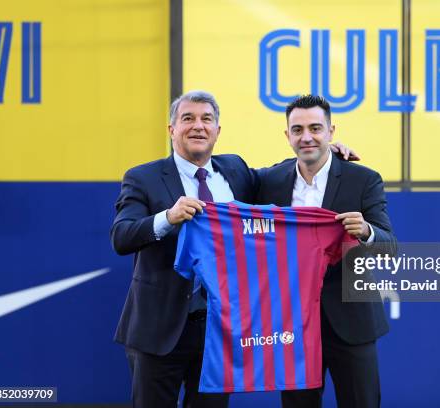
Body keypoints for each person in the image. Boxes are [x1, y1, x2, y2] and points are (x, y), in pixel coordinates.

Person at [110, 90, 356, 407]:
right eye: (188, 119)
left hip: (220, 330)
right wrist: (168, 217)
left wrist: (322, 152)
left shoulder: (236, 171)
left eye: (206, 119)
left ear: (217, 131)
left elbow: (280, 174)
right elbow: (122, 236)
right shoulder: (143, 177)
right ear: (172, 129)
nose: (198, 126)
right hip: (160, 329)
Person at [255, 94, 397, 408]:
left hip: (352, 322)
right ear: (287, 136)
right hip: (293, 325)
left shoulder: (364, 180)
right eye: (298, 130)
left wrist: (366, 232)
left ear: (332, 131)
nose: (307, 136)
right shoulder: (269, 180)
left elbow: (390, 247)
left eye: (316, 128)